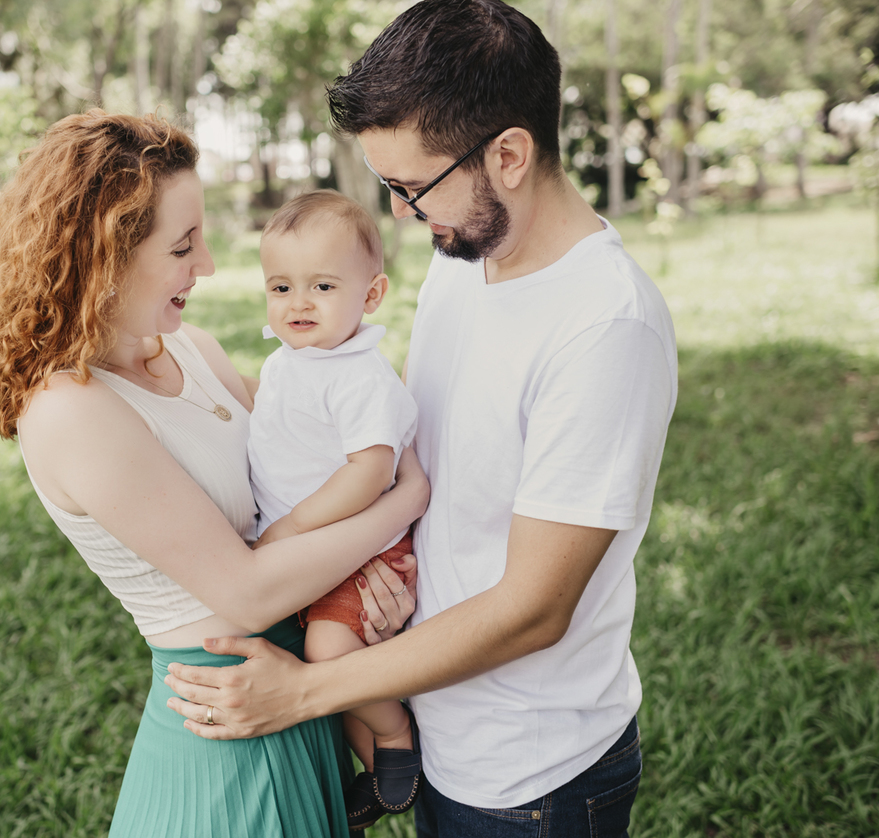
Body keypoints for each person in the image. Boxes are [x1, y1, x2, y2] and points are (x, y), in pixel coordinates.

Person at [164, 2, 679, 836]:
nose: (402, 212)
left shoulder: (605, 328)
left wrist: (307, 692)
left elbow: (534, 608)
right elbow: (410, 445)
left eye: (415, 186)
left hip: (528, 777)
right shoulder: (461, 260)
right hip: (436, 723)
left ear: (509, 154)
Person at [0, 110, 428, 837]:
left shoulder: (193, 351)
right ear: (108, 254)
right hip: (226, 744)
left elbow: (310, 452)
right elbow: (244, 594)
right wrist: (403, 505)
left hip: (295, 695)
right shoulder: (70, 410)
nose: (207, 264)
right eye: (183, 245)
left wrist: (371, 581)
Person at [249, 190, 422, 830]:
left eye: (322, 285)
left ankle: (396, 734)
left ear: (371, 295)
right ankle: (378, 771)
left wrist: (291, 526)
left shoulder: (357, 375)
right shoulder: (288, 363)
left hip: (362, 551)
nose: (298, 302)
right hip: (316, 552)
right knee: (335, 679)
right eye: (281, 286)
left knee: (328, 654)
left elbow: (370, 471)